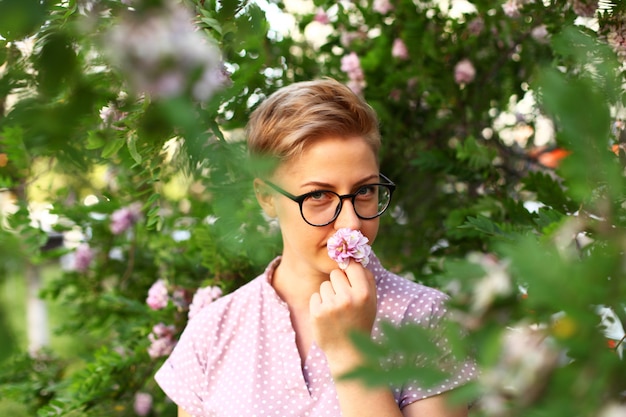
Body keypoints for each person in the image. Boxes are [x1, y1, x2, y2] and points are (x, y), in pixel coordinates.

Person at [154, 78, 477, 417]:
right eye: (319, 196)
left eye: (365, 191)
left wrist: (352, 354)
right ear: (266, 196)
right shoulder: (213, 330)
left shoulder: (428, 318)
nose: (351, 223)